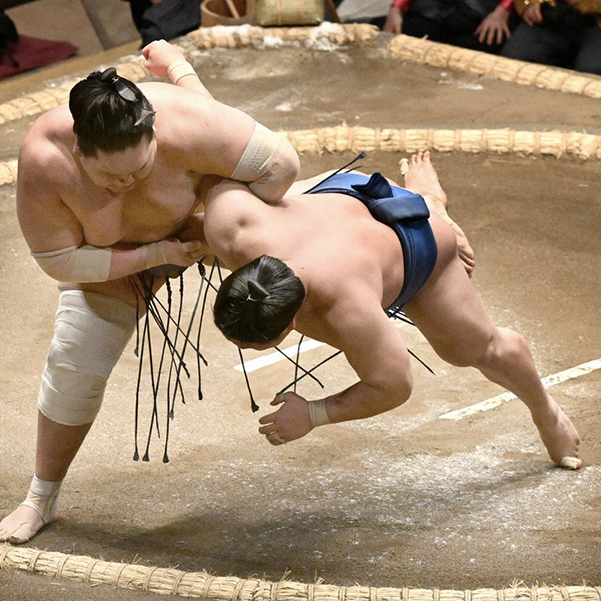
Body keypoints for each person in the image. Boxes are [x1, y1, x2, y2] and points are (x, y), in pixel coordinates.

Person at [0, 40, 300, 545]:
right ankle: (40, 498)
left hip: (199, 230)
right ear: (79, 152)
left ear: (154, 133)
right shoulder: (45, 159)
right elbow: (58, 260)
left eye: (141, 166)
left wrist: (217, 217)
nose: (129, 182)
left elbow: (281, 167)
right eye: (112, 176)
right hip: (113, 263)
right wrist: (153, 254)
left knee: (307, 264)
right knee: (73, 363)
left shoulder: (185, 121)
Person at [203, 152, 581, 470]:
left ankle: (547, 412)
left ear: (290, 325)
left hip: (414, 240)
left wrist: (313, 414)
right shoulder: (229, 222)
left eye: (252, 343)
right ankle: (416, 200)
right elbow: (214, 160)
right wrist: (172, 250)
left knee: (474, 349)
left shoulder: (347, 311)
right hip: (339, 194)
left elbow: (393, 385)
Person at [500, 0, 601, 75]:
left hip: (596, 24)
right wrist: (529, 3)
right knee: (512, 62)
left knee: (591, 71)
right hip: (548, 16)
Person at [382, 0, 516, 54]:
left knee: (474, 47)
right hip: (438, 10)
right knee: (405, 32)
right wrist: (396, 7)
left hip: (489, 15)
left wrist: (503, 10)